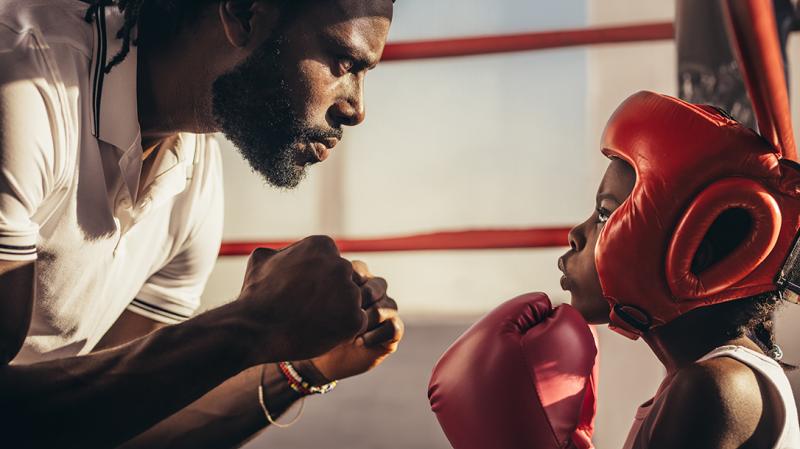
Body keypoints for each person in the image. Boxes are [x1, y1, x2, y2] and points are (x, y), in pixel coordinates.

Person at [0, 1, 403, 448]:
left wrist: (297, 366)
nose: (356, 109)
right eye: (344, 63)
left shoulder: (191, 175)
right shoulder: (23, 79)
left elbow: (116, 424)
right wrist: (252, 324)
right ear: (244, 12)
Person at [560, 91, 800, 448]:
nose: (576, 235)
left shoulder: (713, 388)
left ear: (689, 253)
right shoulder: (710, 377)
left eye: (606, 214)